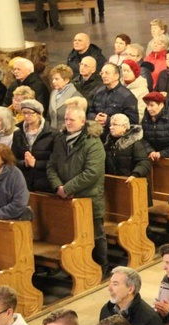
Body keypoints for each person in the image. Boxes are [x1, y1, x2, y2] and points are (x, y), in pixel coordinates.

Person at [47, 107, 108, 271]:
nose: (67, 122)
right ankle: (79, 267)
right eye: (66, 119)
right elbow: (51, 165)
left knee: (96, 234)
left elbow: (92, 172)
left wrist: (67, 188)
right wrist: (58, 186)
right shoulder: (61, 139)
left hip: (88, 197)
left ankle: (102, 267)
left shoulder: (93, 142)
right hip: (66, 197)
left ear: (82, 121)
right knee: (72, 234)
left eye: (71, 120)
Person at [11, 99, 58, 193]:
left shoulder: (53, 134)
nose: (26, 116)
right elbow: (12, 159)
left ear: (39, 114)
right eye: (24, 113)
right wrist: (24, 163)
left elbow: (56, 161)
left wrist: (35, 163)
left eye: (30, 113)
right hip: (23, 182)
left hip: (45, 183)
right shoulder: (18, 133)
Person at [87, 63, 139, 133]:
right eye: (102, 73)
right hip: (97, 132)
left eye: (107, 73)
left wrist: (109, 120)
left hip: (116, 136)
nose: (103, 76)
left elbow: (132, 121)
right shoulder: (98, 92)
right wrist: (95, 117)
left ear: (117, 76)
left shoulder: (127, 96)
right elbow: (90, 111)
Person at [103, 113, 152, 182]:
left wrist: (135, 175)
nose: (111, 127)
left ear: (124, 127)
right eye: (111, 125)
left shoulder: (134, 143)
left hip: (129, 181)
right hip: (112, 182)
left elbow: (144, 162)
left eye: (115, 125)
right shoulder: (108, 143)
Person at [48, 64, 82, 130]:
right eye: (53, 79)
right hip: (52, 133)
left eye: (56, 79)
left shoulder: (76, 96)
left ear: (66, 80)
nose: (53, 82)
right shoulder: (53, 93)